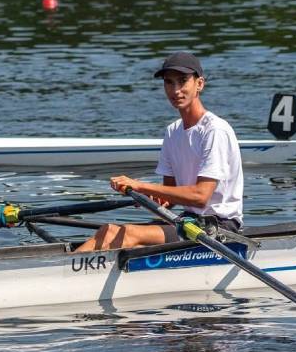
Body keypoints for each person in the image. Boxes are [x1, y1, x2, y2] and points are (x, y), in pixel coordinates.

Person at [76, 52, 243, 251]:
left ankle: (64, 276)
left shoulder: (215, 130)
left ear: (199, 84)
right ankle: (63, 272)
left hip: (219, 227)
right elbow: (170, 196)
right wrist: (147, 198)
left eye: (183, 81)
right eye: (169, 82)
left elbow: (200, 196)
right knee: (108, 231)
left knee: (124, 233)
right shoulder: (173, 132)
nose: (176, 90)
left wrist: (141, 186)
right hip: (188, 222)